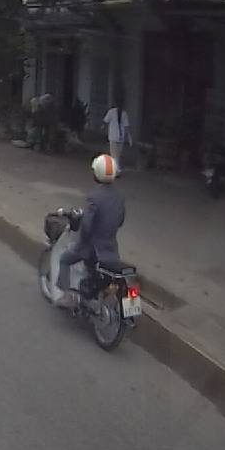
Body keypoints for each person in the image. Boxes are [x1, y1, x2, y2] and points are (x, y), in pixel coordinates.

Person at [55, 154, 126, 308]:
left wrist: (82, 241)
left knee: (65, 259)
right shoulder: (119, 197)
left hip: (93, 248)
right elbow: (120, 221)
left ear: (97, 173)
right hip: (110, 248)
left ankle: (67, 296)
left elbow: (87, 225)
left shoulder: (94, 196)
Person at [103, 103, 131, 169]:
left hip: (113, 136)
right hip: (121, 137)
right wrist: (129, 138)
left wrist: (105, 130)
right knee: (118, 154)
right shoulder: (124, 113)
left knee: (114, 154)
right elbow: (126, 127)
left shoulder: (111, 112)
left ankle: (116, 168)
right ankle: (116, 167)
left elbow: (105, 121)